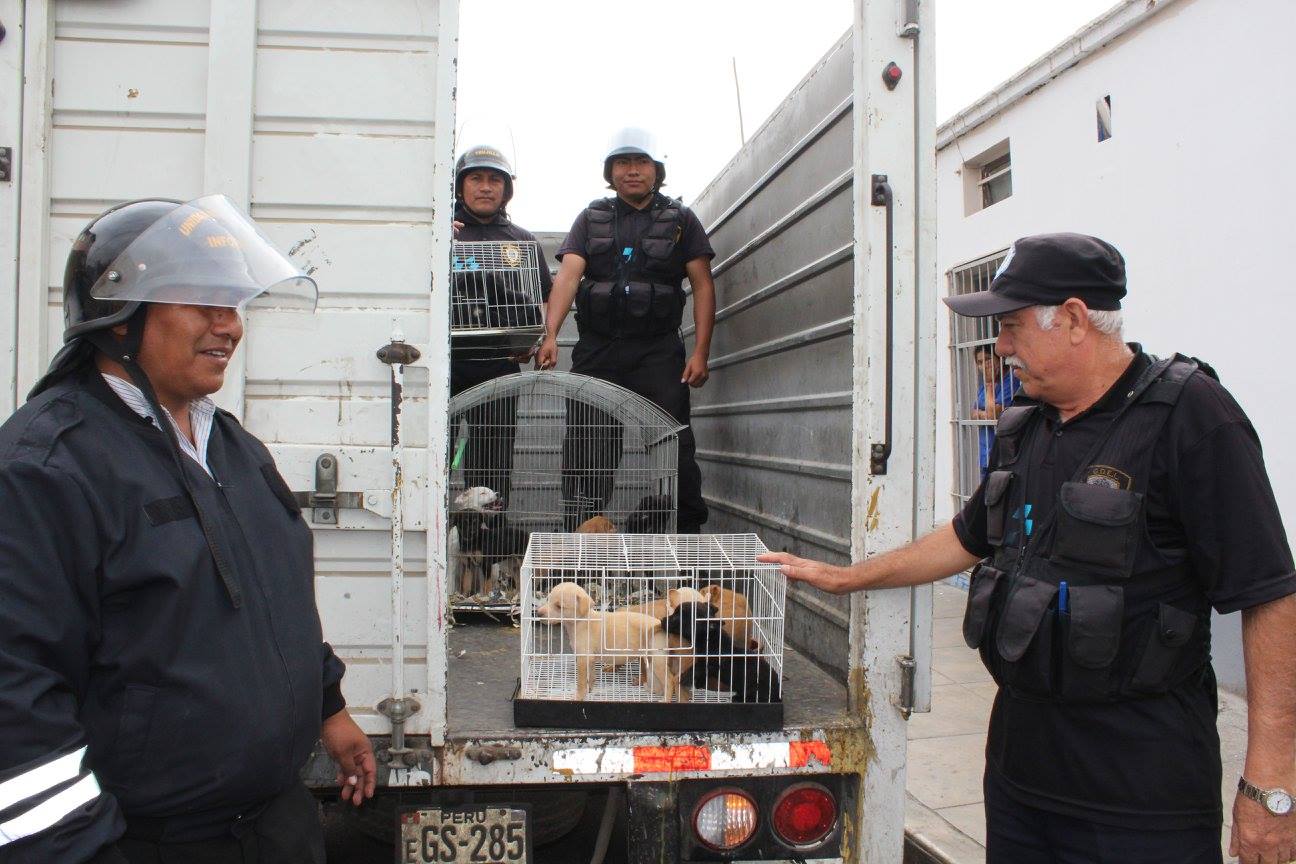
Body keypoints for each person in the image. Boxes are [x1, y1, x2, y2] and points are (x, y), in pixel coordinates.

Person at [760, 233, 1296, 864]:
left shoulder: (1191, 417)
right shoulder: (1028, 424)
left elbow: (1269, 596)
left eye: (1011, 327)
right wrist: (847, 577)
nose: (1001, 347)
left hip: (1140, 794)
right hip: (1021, 779)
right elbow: (967, 536)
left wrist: (1272, 782)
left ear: (1071, 319)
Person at [0, 196, 376, 863]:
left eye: (232, 304)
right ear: (118, 320)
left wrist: (329, 707)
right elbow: (14, 696)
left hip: (276, 828)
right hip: (149, 843)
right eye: (199, 299)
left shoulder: (230, 445)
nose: (228, 325)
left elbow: (278, 593)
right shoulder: (47, 467)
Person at [536, 127, 716, 533]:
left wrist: (701, 351)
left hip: (658, 352)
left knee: (676, 445)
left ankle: (687, 539)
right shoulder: (591, 218)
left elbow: (703, 284)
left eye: (640, 163)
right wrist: (549, 335)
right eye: (622, 163)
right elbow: (566, 278)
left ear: (657, 170)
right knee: (588, 447)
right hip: (599, 352)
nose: (631, 171)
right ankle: (583, 542)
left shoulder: (682, 220)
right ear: (610, 171)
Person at [450, 144, 552, 506]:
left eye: (495, 180)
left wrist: (541, 339)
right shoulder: (441, 233)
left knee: (492, 466)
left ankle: (488, 548)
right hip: (447, 364)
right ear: (459, 186)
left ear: (506, 190)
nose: (485, 187)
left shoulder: (522, 241)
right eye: (476, 178)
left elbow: (541, 300)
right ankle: (440, 538)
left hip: (499, 367)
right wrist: (439, 238)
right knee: (439, 457)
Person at [970, 343, 1020, 472]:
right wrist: (983, 414)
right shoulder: (983, 386)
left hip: (1003, 453)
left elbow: (993, 415)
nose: (984, 365)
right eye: (980, 362)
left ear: (999, 359)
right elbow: (973, 413)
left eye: (988, 359)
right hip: (985, 451)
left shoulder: (1011, 380)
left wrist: (990, 385)